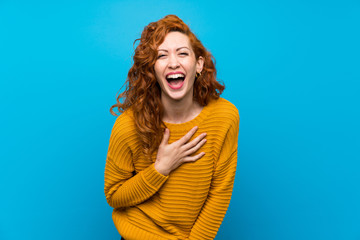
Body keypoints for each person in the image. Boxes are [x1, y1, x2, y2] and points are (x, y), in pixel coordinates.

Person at [104, 14, 240, 240]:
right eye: (162, 56)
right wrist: (161, 169)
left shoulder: (225, 117)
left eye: (182, 53)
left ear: (198, 64)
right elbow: (114, 195)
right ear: (152, 69)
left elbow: (220, 192)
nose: (173, 63)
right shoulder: (127, 126)